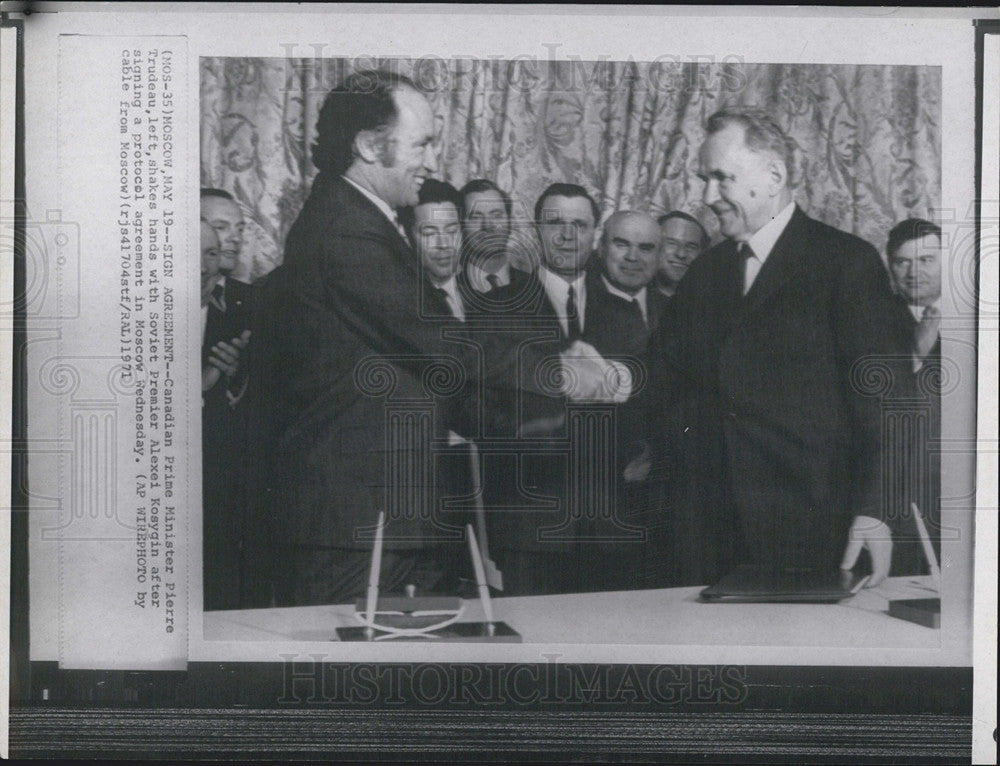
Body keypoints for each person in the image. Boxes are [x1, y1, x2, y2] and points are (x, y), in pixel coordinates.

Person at [250, 71, 616, 607]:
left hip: (385, 515)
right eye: (421, 143)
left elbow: (418, 372)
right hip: (352, 521)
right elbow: (440, 343)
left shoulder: (364, 218)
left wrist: (534, 414)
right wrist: (558, 371)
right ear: (371, 146)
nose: (431, 159)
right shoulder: (344, 229)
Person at [654, 107, 913, 588]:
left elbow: (889, 402)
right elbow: (666, 380)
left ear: (774, 175)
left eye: (721, 178)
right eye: (703, 179)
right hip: (704, 535)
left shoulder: (846, 263)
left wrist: (876, 511)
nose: (707, 197)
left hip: (814, 533)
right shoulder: (706, 273)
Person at [481, 183, 634, 595]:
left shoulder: (624, 312)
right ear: (536, 230)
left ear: (595, 233)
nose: (568, 235)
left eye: (580, 224)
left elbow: (648, 403)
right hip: (529, 520)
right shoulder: (497, 308)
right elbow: (476, 406)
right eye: (555, 223)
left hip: (610, 524)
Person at [581, 210, 668, 589]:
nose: (633, 257)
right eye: (622, 244)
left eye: (646, 247)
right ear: (602, 247)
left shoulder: (678, 313)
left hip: (667, 507)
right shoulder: (576, 310)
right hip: (597, 508)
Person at [199, 217, 252, 610]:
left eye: (213, 253)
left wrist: (232, 375)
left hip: (219, 477)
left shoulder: (244, 305)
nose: (205, 265)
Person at [886, 218, 943, 575]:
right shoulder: (872, 318)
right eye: (902, 262)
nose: (913, 272)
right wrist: (915, 356)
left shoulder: (983, 314)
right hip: (900, 491)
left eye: (926, 260)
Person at [654, 210, 709, 299]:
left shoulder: (711, 302)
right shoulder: (635, 295)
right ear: (653, 245)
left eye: (691, 247)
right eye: (672, 243)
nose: (681, 254)